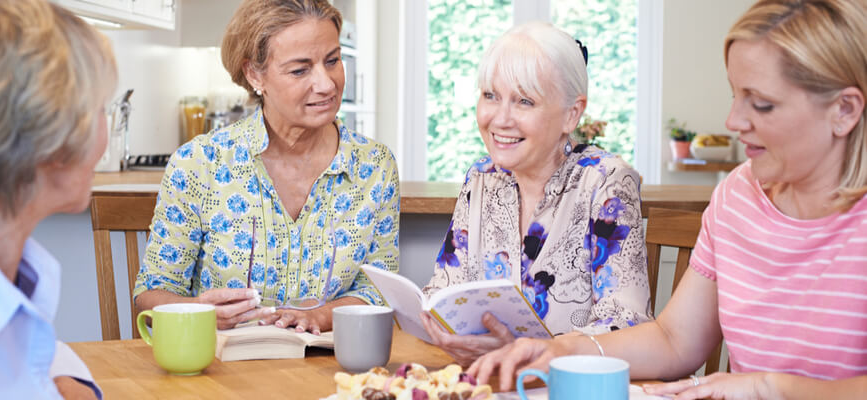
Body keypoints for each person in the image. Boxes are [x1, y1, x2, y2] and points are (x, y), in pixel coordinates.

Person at [469, 0, 867, 398]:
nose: (733, 121)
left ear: (844, 110)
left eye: (762, 104)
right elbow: (674, 339)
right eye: (735, 95)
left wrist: (770, 388)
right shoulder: (736, 198)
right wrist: (563, 349)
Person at [133, 0, 400, 334]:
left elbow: (378, 288)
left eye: (332, 61)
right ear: (254, 74)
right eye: (300, 70)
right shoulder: (199, 164)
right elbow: (151, 292)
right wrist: (198, 312)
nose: (327, 84)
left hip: (333, 373)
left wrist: (319, 316)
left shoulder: (374, 166)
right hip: (221, 374)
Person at [420, 22, 652, 366]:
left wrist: (525, 352)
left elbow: (625, 321)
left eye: (524, 101)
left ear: (571, 114)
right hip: (489, 382)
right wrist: (438, 324)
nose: (500, 119)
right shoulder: (481, 178)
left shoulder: (606, 182)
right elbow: (443, 291)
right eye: (490, 96)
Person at [0, 0, 118, 398]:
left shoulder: (9, 276)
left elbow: (32, 349)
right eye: (101, 109)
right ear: (52, 137)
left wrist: (69, 383)